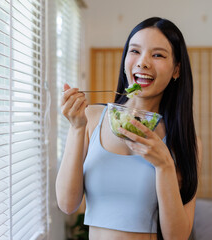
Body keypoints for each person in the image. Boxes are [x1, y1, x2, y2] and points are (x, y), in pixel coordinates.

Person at [56, 17, 202, 240]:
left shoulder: (183, 141)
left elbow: (177, 237)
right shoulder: (90, 118)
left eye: (158, 55)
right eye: (135, 51)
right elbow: (67, 204)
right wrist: (77, 129)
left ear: (176, 70)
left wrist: (164, 165)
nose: (143, 62)